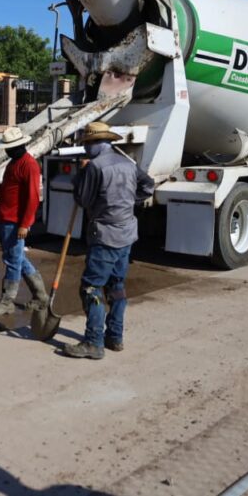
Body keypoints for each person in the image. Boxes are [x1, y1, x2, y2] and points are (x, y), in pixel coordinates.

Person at [62, 122, 155, 360]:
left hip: (105, 235)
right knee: (116, 286)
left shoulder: (95, 167)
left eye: (86, 144)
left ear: (96, 143)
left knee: (91, 287)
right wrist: (128, 201)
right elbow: (148, 186)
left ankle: (94, 342)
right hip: (126, 234)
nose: (85, 149)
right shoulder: (127, 163)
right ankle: (115, 336)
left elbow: (82, 200)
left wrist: (81, 174)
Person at [0, 127, 48, 316]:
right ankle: (40, 296)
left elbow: (33, 197)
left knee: (12, 261)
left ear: (19, 146)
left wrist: (25, 224)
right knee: (18, 259)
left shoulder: (29, 165)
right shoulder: (13, 163)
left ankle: (7, 301)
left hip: (15, 221)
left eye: (9, 147)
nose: (7, 150)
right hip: (6, 218)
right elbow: (6, 189)